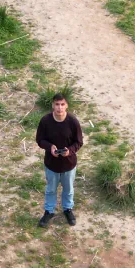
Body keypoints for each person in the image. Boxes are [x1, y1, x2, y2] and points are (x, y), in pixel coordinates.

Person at [35, 93, 83, 227]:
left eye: (62, 104)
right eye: (57, 104)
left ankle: (67, 209)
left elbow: (78, 142)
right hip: (51, 164)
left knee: (68, 189)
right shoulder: (45, 121)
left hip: (69, 164)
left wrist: (70, 151)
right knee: (51, 189)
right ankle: (49, 211)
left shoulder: (73, 122)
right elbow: (40, 140)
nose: (59, 108)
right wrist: (50, 147)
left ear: (66, 105)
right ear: (52, 105)